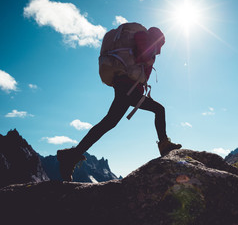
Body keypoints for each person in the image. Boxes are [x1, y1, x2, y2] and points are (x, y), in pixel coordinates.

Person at [57, 25, 181, 182]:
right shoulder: (146, 40)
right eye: (161, 45)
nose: (160, 50)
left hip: (127, 88)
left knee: (108, 123)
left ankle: (71, 156)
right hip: (127, 88)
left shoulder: (143, 40)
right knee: (157, 110)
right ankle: (164, 145)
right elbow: (141, 56)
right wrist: (150, 57)